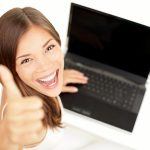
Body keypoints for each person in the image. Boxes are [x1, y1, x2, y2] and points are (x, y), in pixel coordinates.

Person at [0, 7, 88, 150]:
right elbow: (12, 137)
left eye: (49, 48)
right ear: (11, 69)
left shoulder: (24, 81)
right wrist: (7, 139)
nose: (46, 66)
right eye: (26, 60)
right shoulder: (27, 122)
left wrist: (56, 77)